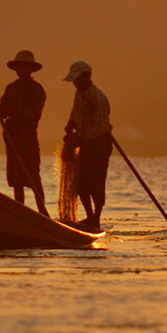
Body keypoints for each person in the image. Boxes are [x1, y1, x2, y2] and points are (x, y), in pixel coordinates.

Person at [0, 50, 49, 215]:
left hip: (28, 139)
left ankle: (43, 213)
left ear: (30, 69)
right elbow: (1, 112)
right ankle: (20, 213)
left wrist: (11, 111)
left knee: (33, 177)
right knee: (16, 180)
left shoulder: (37, 90)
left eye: (25, 67)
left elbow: (34, 115)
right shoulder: (11, 88)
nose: (22, 70)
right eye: (19, 67)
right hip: (13, 139)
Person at [63, 60, 112, 230]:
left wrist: (80, 138)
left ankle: (96, 219)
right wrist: (70, 124)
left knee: (96, 184)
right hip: (85, 144)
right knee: (81, 184)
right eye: (74, 80)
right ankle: (89, 217)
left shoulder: (98, 98)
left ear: (87, 77)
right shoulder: (79, 92)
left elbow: (101, 127)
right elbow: (75, 111)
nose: (75, 83)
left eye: (77, 79)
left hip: (99, 145)